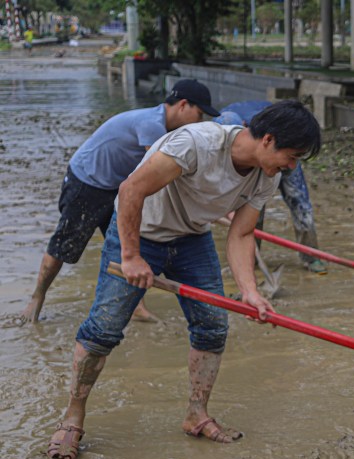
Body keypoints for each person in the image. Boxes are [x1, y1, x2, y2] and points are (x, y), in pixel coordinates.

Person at [45, 100, 322, 459]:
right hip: (139, 232)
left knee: (212, 328)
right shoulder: (196, 144)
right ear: (268, 139)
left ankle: (196, 413)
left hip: (192, 237)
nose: (292, 166)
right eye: (292, 156)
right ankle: (73, 416)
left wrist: (250, 292)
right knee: (104, 329)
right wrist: (130, 256)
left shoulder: (265, 176)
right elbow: (130, 190)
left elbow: (241, 235)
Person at [20, 79, 218, 324]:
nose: (200, 122)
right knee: (64, 247)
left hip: (118, 188)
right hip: (87, 183)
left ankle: (137, 307)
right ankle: (37, 297)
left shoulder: (169, 132)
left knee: (130, 243)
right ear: (183, 105)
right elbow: (163, 176)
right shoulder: (152, 124)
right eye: (199, 114)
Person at [214, 101, 327, 273]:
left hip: (282, 151)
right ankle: (250, 258)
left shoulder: (237, 126)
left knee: (300, 204)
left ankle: (311, 256)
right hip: (260, 154)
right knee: (251, 209)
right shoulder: (220, 133)